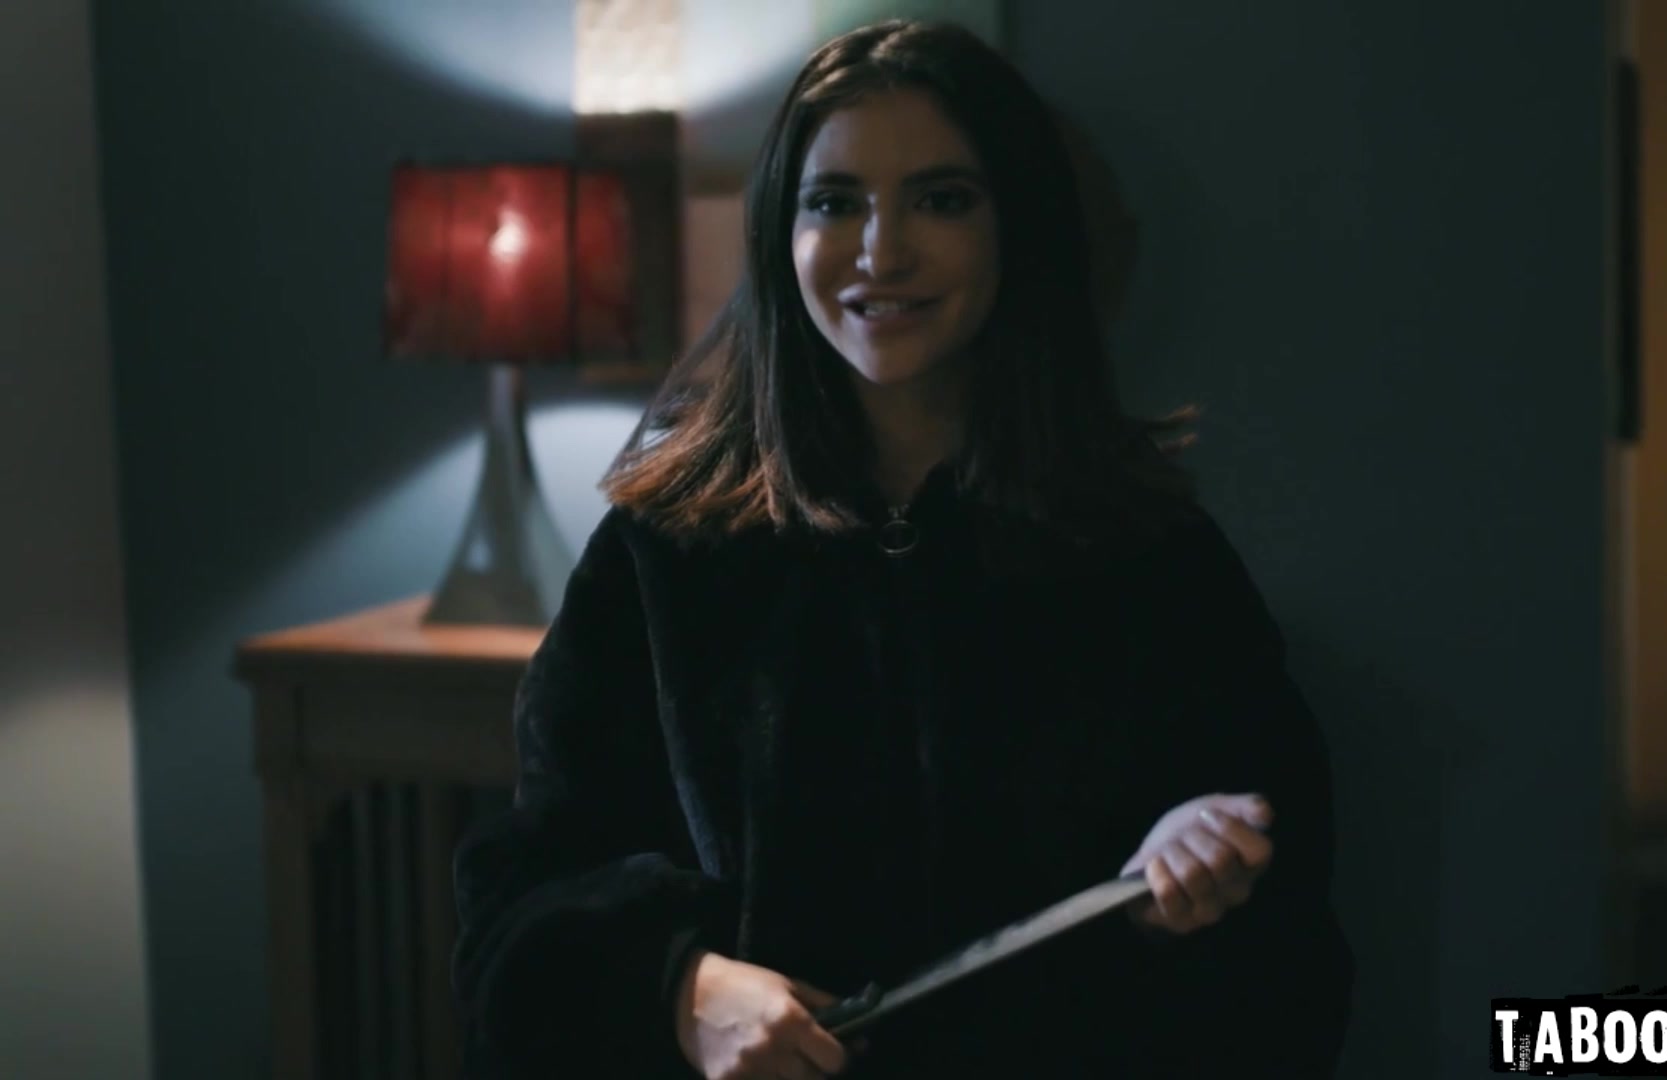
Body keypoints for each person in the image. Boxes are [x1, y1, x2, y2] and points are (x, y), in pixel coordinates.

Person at [451, 18, 1352, 1080]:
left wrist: (1184, 891)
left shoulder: (1146, 555)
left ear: (1015, 226)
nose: (881, 252)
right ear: (781, 236)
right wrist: (681, 986)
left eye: (941, 199)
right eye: (835, 203)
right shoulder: (666, 551)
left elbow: (1288, 949)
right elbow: (523, 900)